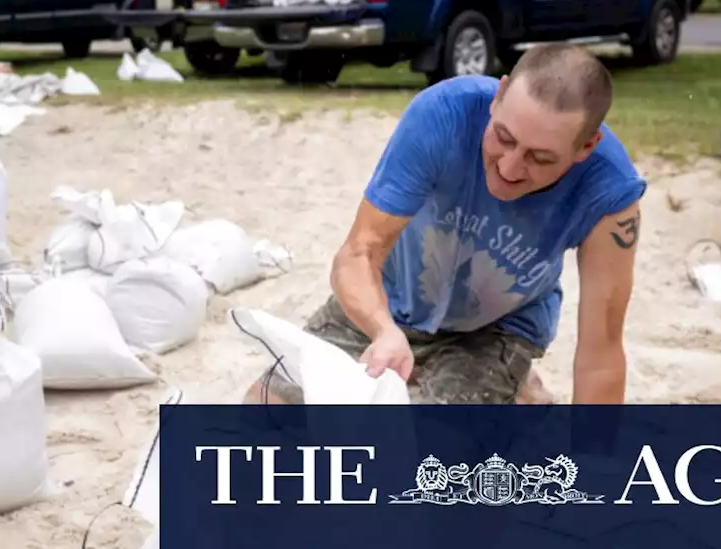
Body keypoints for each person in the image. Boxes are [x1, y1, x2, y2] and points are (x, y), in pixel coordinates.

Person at [244, 44, 645, 406]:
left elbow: (601, 352)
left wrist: (594, 468)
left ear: (586, 147)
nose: (509, 167)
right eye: (503, 137)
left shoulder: (610, 194)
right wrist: (383, 331)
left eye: (540, 159)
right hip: (390, 299)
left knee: (410, 454)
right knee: (264, 406)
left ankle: (512, 388)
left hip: (495, 328)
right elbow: (358, 253)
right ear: (499, 95)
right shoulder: (442, 114)